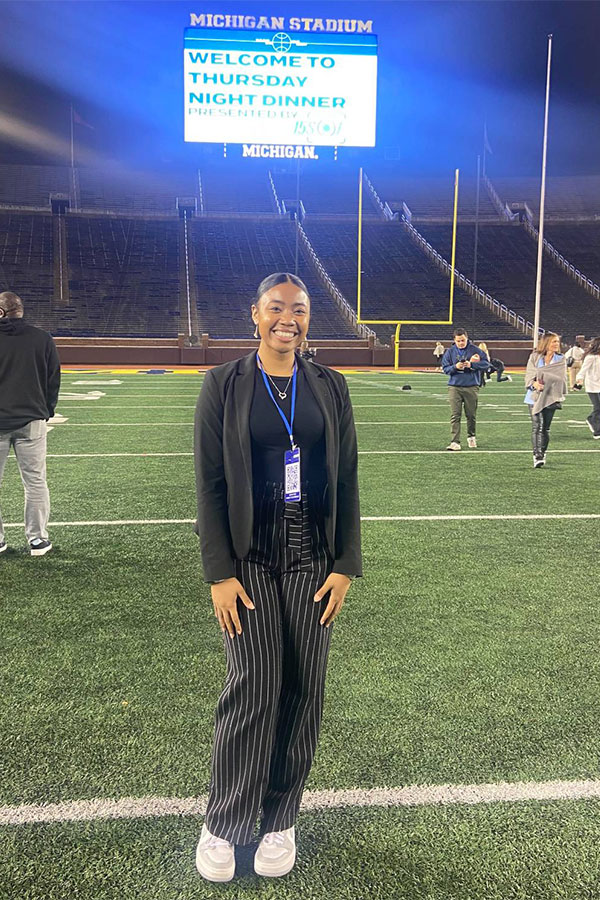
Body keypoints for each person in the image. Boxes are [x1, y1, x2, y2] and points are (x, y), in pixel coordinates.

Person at [193, 272, 361, 882]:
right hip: (250, 558)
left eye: (299, 309)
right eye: (275, 309)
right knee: (252, 687)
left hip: (313, 556)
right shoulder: (223, 383)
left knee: (304, 689)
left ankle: (279, 818)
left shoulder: (330, 386)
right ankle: (225, 820)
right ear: (255, 315)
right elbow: (209, 485)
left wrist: (346, 564)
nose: (287, 318)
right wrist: (219, 573)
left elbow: (345, 478)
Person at [0, 291, 60, 556]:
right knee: (35, 481)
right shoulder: (42, 338)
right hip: (32, 420)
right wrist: (46, 410)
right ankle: (37, 540)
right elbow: (53, 378)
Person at [441, 327, 489, 451]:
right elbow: (445, 368)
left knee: (471, 414)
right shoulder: (450, 352)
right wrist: (455, 367)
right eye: (458, 341)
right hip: (454, 386)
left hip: (471, 386)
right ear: (454, 340)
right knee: (455, 414)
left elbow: (487, 364)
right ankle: (455, 441)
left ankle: (471, 436)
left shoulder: (475, 350)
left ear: (467, 338)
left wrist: (472, 365)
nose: (461, 343)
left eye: (463, 340)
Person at [524, 332, 567, 468]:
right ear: (546, 343)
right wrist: (534, 384)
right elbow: (530, 374)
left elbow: (561, 378)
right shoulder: (535, 357)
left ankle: (543, 451)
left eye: (557, 342)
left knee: (546, 428)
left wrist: (545, 378)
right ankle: (537, 455)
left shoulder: (561, 359)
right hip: (534, 396)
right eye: (553, 341)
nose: (556, 344)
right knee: (537, 426)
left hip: (550, 396)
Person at [575, 336, 600, 438]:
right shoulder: (591, 357)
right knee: (598, 408)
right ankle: (597, 430)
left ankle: (591, 419)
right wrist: (579, 382)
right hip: (593, 387)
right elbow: (582, 371)